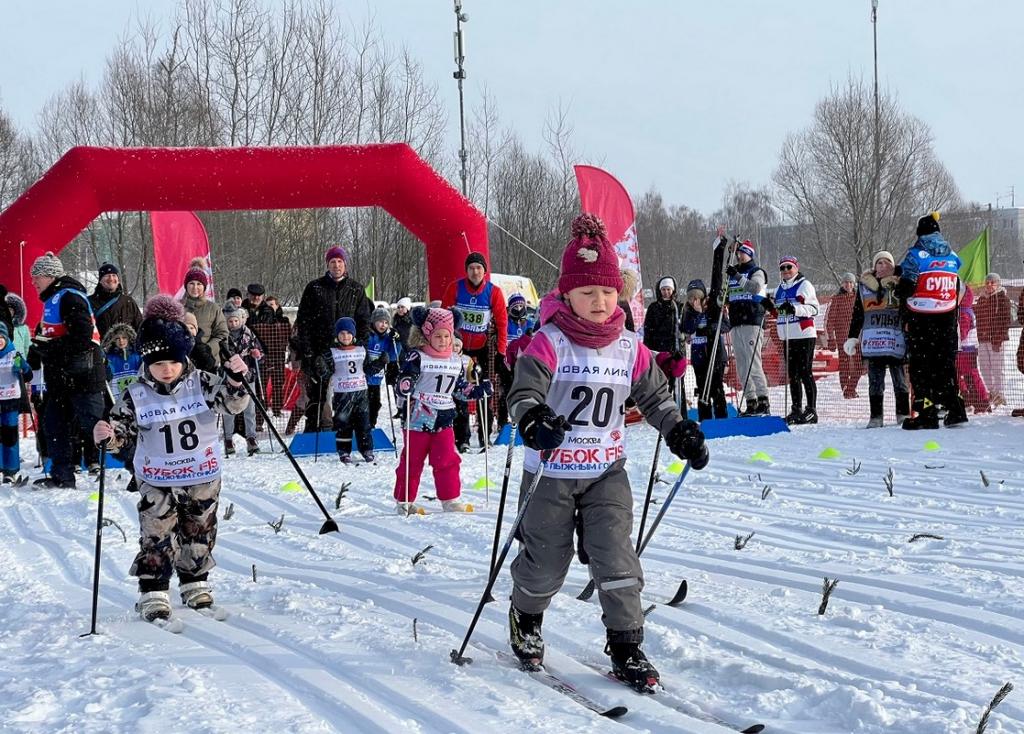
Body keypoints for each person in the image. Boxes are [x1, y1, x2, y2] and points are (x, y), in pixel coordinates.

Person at [505, 213, 708, 689]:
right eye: (588, 293)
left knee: (617, 558)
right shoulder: (549, 341)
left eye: (608, 292)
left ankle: (626, 645)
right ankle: (526, 619)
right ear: (567, 295)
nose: (599, 302)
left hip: (605, 472)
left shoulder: (629, 347)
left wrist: (679, 431)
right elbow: (523, 394)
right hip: (551, 472)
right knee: (545, 562)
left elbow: (657, 399)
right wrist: (533, 420)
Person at [92, 295, 250, 623]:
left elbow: (233, 404)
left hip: (201, 473)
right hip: (157, 477)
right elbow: (121, 431)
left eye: (173, 362)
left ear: (184, 359)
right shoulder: (135, 392)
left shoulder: (202, 383)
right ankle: (153, 589)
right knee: (157, 532)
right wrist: (107, 435)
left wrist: (236, 380)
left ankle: (194, 582)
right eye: (158, 364)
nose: (167, 370)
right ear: (147, 363)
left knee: (199, 530)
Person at [393, 306, 490, 514]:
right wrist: (405, 384)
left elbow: (460, 389)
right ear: (426, 334)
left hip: (444, 418)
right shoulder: (417, 357)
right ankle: (404, 501)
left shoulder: (455, 361)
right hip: (417, 417)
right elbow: (401, 383)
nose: (444, 341)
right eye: (438, 336)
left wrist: (477, 390)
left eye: (447, 336)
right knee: (412, 460)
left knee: (447, 460)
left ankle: (450, 499)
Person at [27, 252, 107, 488]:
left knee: (96, 426)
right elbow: (52, 338)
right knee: (53, 424)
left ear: (50, 276)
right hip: (62, 378)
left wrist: (50, 348)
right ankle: (62, 476)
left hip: (83, 376)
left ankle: (137, 468)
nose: (33, 282)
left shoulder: (70, 297)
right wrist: (38, 349)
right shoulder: (53, 299)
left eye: (37, 277)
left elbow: (82, 337)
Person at [897, 212, 967, 430]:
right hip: (947, 318)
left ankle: (926, 412)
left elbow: (907, 286)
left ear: (919, 233)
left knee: (921, 366)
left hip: (922, 318)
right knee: (945, 365)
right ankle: (955, 410)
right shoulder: (953, 256)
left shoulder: (916, 255)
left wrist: (897, 289)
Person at [295, 246, 374, 433]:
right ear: (327, 264)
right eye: (333, 262)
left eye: (340, 261)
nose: (336, 265)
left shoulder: (356, 289)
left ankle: (350, 430)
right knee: (317, 394)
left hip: (348, 352)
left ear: (345, 264)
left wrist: (360, 346)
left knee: (349, 393)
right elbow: (304, 321)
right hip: (319, 349)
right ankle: (313, 431)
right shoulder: (314, 288)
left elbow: (364, 320)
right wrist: (307, 351)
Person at [442, 252, 509, 444]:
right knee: (457, 393)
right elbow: (444, 317)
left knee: (484, 392)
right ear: (467, 270)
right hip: (458, 348)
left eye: (479, 268)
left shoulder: (493, 292)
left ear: (485, 271)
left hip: (482, 349)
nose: (475, 271)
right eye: (471, 268)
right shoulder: (455, 287)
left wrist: (501, 352)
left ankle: (484, 437)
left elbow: (502, 323)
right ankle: (461, 437)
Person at [845, 250, 910, 428]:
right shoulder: (864, 286)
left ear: (893, 265)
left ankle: (903, 414)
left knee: (900, 381)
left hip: (895, 340)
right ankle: (876, 417)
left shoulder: (901, 283)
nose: (883, 266)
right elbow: (858, 313)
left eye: (887, 262)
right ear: (874, 267)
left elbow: (908, 309)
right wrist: (852, 336)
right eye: (879, 263)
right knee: (875, 382)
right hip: (873, 342)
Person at [725, 240, 771, 415]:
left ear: (750, 254)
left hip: (752, 319)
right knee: (742, 365)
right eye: (739, 253)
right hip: (736, 321)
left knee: (753, 362)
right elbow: (728, 294)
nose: (739, 255)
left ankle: (763, 400)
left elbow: (754, 287)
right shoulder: (734, 272)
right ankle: (751, 400)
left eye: (743, 253)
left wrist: (737, 276)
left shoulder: (756, 271)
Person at [774, 256, 820, 425]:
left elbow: (815, 309)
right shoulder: (779, 288)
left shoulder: (804, 285)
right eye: (782, 268)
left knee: (804, 372)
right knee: (793, 375)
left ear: (796, 268)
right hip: (788, 335)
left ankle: (811, 410)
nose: (786, 271)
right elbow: (779, 313)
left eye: (789, 267)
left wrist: (795, 308)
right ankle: (796, 409)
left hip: (803, 334)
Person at [681, 279, 730, 420]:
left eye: (696, 297)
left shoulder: (713, 307)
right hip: (699, 356)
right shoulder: (688, 311)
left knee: (717, 387)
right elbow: (687, 328)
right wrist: (696, 313)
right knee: (702, 388)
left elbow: (726, 325)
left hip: (715, 354)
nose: (693, 300)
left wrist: (713, 328)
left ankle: (721, 417)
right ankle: (705, 418)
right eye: (691, 298)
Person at [222, 303, 263, 456]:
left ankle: (251, 438)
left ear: (240, 320)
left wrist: (256, 354)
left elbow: (260, 352)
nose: (233, 324)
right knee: (228, 407)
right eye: (230, 321)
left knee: (249, 408)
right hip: (230, 376)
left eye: (235, 321)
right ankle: (228, 439)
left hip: (248, 374)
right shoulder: (223, 335)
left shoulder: (248, 334)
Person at [181, 260, 229, 367]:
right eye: (191, 283)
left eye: (199, 284)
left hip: (207, 361)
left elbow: (222, 334)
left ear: (204, 287)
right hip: (182, 361)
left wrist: (208, 349)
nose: (195, 287)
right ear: (186, 286)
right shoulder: (177, 307)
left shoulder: (213, 308)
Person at [0, 323, 32, 483]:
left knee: (10, 436)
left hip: (11, 401)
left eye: (1, 338)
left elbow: (28, 375)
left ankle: (10, 470)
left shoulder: (14, 355)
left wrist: (23, 368)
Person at [975, 273, 1011, 408]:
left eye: (992, 282)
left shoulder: (1003, 298)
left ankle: (1000, 395)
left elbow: (1006, 320)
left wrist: (999, 338)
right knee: (984, 367)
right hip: (983, 339)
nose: (989, 285)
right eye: (987, 282)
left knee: (997, 368)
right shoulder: (981, 299)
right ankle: (991, 392)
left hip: (997, 340)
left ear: (998, 283)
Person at [826, 273, 862, 399]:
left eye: (851, 282)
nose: (848, 285)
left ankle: (851, 388)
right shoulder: (837, 299)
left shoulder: (858, 298)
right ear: (842, 284)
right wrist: (831, 338)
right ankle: (846, 389)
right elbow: (830, 320)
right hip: (842, 337)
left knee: (859, 365)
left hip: (857, 336)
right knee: (845, 365)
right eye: (846, 282)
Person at [365, 307, 402, 429]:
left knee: (375, 404)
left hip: (377, 379)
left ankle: (371, 425)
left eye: (386, 322)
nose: (383, 325)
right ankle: (363, 426)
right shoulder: (369, 336)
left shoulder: (387, 338)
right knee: (364, 405)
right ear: (374, 321)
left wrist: (397, 341)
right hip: (364, 379)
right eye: (380, 321)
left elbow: (393, 356)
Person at [956, 287, 989, 413]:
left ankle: (982, 401)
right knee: (966, 376)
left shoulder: (963, 312)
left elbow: (962, 333)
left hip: (965, 349)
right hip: (967, 349)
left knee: (970, 376)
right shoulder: (965, 309)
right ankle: (971, 400)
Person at [88, 262, 143, 338]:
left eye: (114, 275)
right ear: (100, 280)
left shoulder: (128, 302)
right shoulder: (89, 302)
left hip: (125, 349)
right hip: (100, 348)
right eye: (107, 276)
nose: (111, 278)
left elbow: (140, 328)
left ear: (118, 280)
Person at [103, 323, 142, 398]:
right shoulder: (109, 357)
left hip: (137, 396)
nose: (121, 341)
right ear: (113, 340)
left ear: (129, 338)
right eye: (117, 338)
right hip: (116, 398)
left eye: (124, 338)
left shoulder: (138, 356)